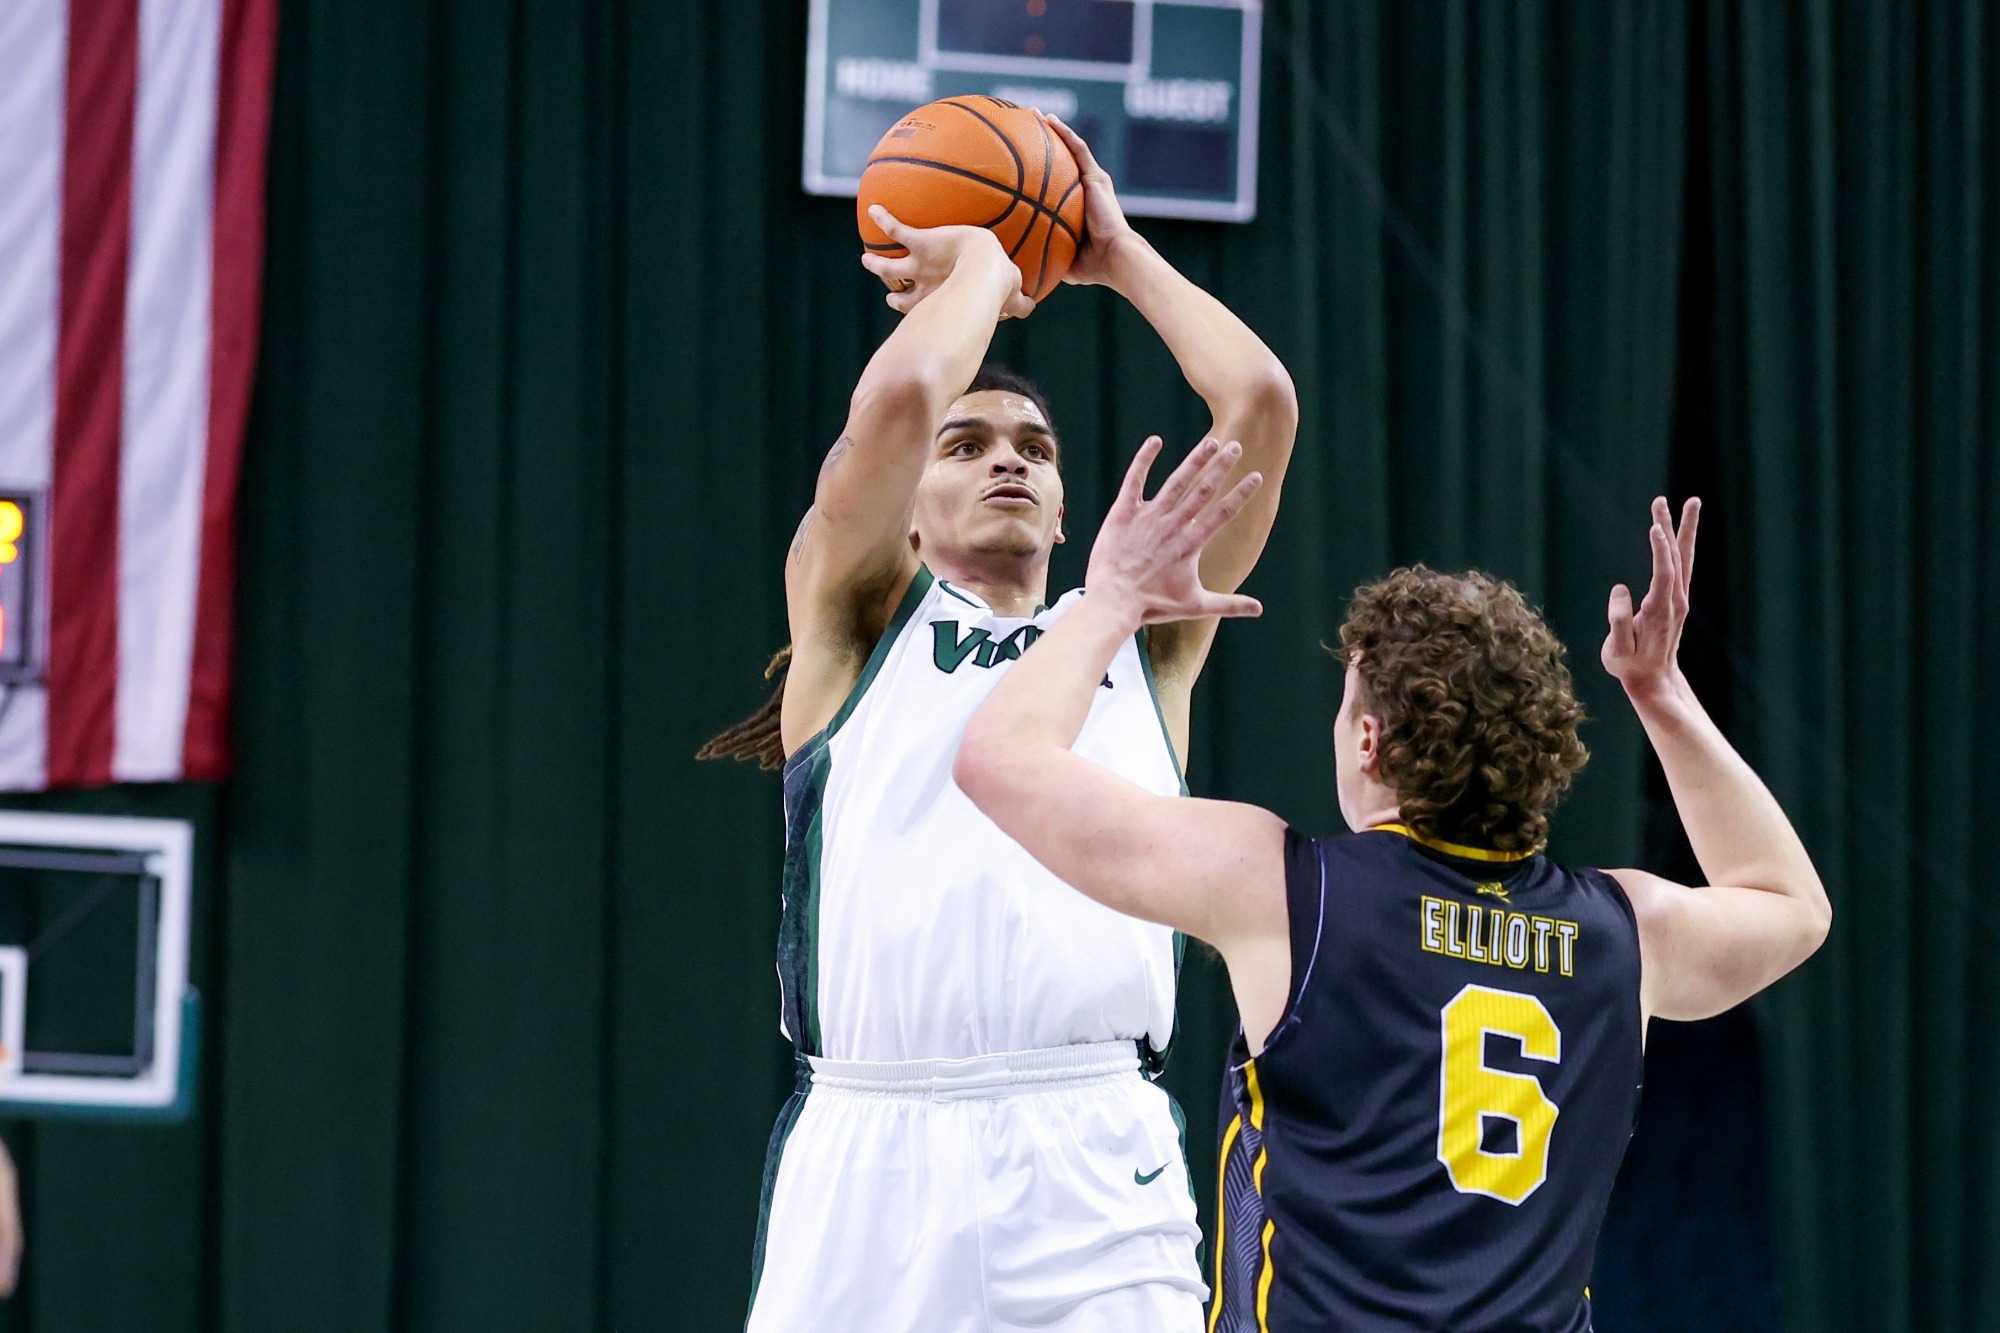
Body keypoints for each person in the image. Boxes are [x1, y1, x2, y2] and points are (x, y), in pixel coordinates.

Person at [954, 440, 1831, 1331]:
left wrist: (1111, 599)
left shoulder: (1289, 891)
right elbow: (1790, 905)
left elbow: (998, 761)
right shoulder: (1623, 931)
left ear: (1368, 741)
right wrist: (1662, 692)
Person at [701, 115, 1298, 1331]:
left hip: (1090, 1141)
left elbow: (1258, 400)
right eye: (966, 449)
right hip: (869, 1138)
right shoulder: (857, 618)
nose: (1004, 461)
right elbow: (907, 393)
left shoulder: (1137, 629)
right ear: (908, 514)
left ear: (1072, 500)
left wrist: (1118, 250)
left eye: (1032, 446)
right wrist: (986, 265)